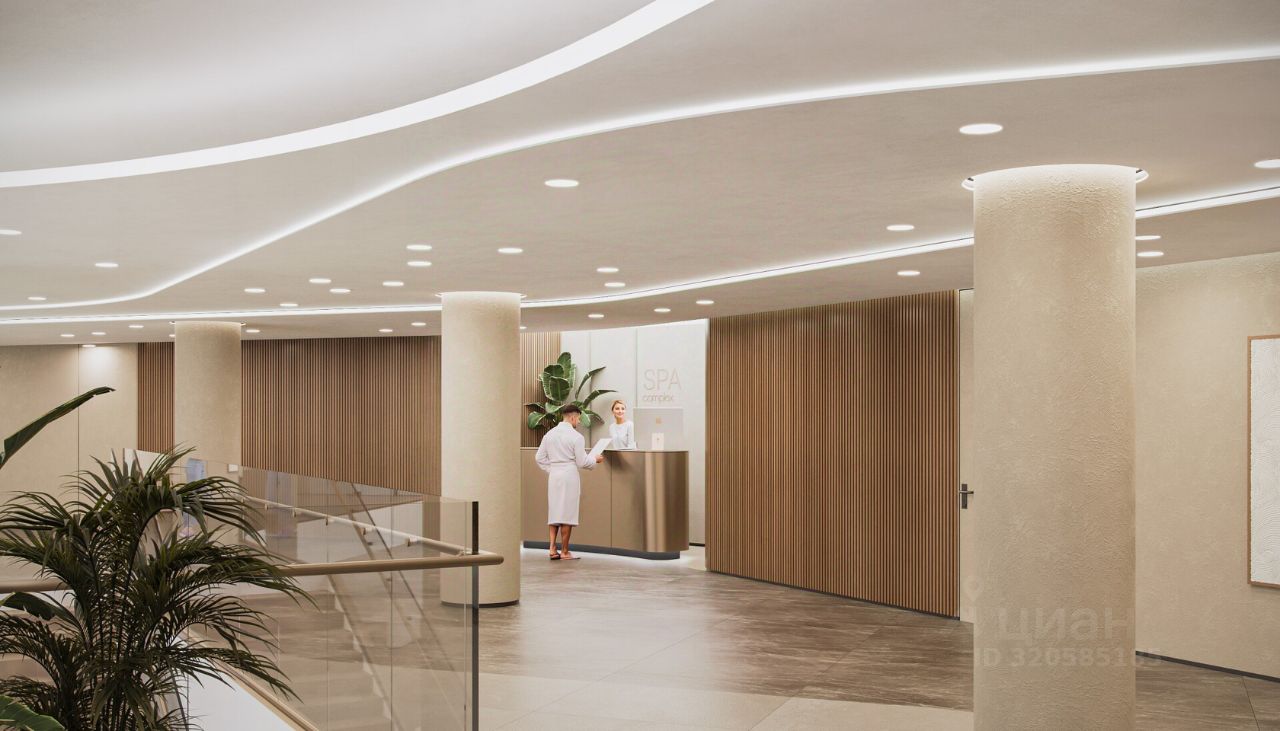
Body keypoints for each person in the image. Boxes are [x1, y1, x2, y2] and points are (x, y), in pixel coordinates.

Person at [535, 404, 603, 560]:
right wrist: (595, 459)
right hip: (569, 476)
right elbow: (582, 462)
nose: (578, 422)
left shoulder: (549, 434)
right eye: (578, 419)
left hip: (554, 476)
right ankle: (565, 551)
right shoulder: (576, 437)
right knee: (567, 513)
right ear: (572, 417)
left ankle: (552, 549)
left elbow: (539, 457)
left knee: (555, 511)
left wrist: (551, 469)